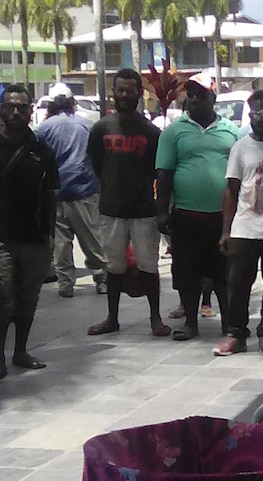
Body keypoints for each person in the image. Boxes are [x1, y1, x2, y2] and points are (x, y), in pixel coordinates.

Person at [86, 68, 171, 338]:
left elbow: (157, 171)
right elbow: (97, 164)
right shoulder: (101, 128)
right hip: (111, 210)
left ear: (139, 92)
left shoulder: (151, 132)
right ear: (114, 92)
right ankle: (112, 318)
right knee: (114, 267)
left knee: (148, 266)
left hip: (143, 210)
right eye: (120, 89)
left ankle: (155, 319)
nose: (124, 94)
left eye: (129, 89)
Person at [156, 73, 240, 341]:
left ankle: (230, 324)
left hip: (223, 218)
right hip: (186, 216)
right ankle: (191, 323)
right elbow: (164, 173)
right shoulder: (174, 132)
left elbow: (240, 174)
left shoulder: (231, 131)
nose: (192, 99)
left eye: (199, 95)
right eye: (189, 94)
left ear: (213, 98)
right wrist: (162, 211)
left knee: (224, 274)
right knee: (186, 272)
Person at [214, 90, 263, 357]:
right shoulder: (241, 147)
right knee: (237, 284)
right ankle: (235, 333)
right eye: (253, 112)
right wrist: (226, 230)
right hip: (245, 227)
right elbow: (231, 190)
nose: (257, 117)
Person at [0, 85, 59, 378]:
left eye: (21, 107)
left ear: (30, 111)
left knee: (27, 300)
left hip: (34, 238)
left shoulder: (41, 150)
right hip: (2, 239)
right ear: (1, 109)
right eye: (10, 106)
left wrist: (50, 234)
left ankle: (20, 351)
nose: (15, 112)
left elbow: (49, 194)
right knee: (2, 298)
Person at [36, 86, 107, 298]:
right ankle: (102, 279)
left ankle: (65, 284)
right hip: (84, 190)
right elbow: (98, 156)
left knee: (61, 243)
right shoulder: (87, 125)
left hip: (55, 192)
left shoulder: (44, 128)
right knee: (92, 239)